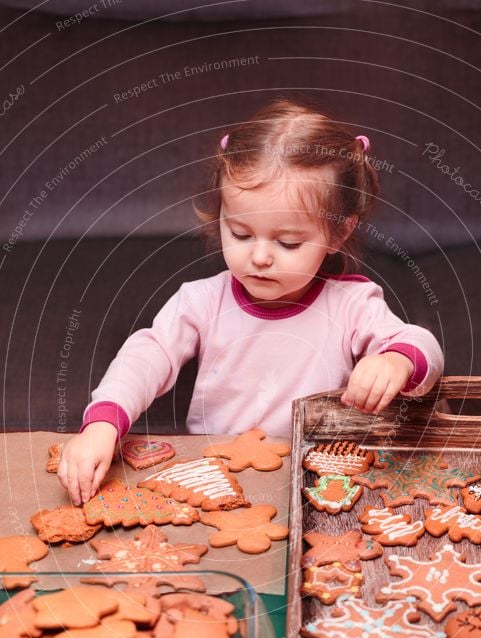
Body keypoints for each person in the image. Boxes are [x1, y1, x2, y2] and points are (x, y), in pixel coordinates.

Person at [58, 97, 443, 506]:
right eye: (241, 234)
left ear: (339, 233)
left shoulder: (351, 304)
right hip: (214, 478)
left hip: (319, 480)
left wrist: (396, 361)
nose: (259, 257)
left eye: (288, 242)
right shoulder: (202, 301)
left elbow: (426, 349)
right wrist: (103, 424)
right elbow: (146, 356)